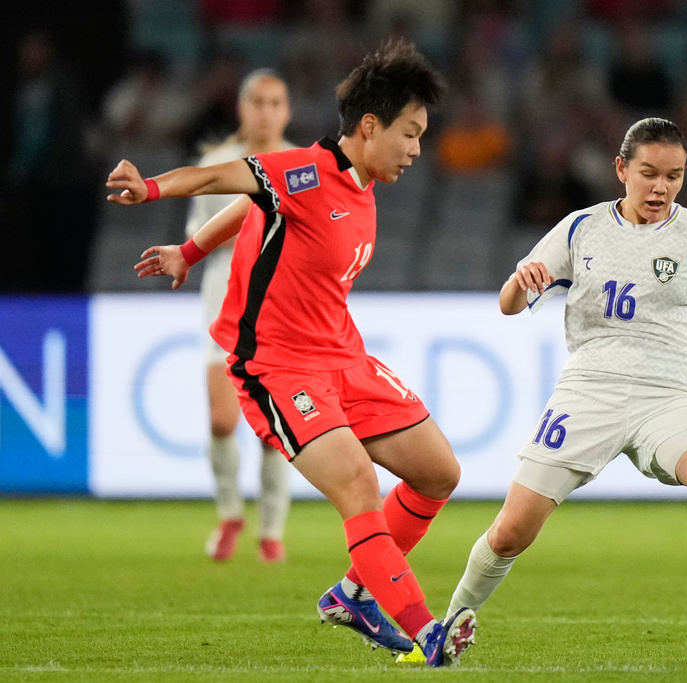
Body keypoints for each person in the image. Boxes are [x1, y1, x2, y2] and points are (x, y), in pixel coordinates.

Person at [105, 38, 475, 667]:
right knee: (359, 484)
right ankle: (425, 631)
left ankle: (355, 595)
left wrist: (189, 254)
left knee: (440, 472)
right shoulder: (305, 171)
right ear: (368, 125)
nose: (417, 149)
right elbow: (228, 178)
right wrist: (155, 191)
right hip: (278, 367)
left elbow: (253, 210)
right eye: (409, 134)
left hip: (344, 357)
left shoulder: (359, 185)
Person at [445, 118, 687, 639]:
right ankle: (448, 624)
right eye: (649, 173)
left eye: (674, 176)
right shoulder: (580, 229)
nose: (661, 187)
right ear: (621, 169)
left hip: (670, 393)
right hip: (590, 390)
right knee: (511, 533)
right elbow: (509, 304)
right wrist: (521, 281)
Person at [185, 69, 294, 563]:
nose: (266, 111)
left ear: (286, 111)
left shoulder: (300, 164)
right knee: (222, 421)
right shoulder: (216, 164)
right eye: (257, 101)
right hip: (223, 309)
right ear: (242, 108)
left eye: (275, 102)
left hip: (279, 312)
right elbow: (201, 237)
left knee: (274, 431)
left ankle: (270, 531)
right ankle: (230, 513)